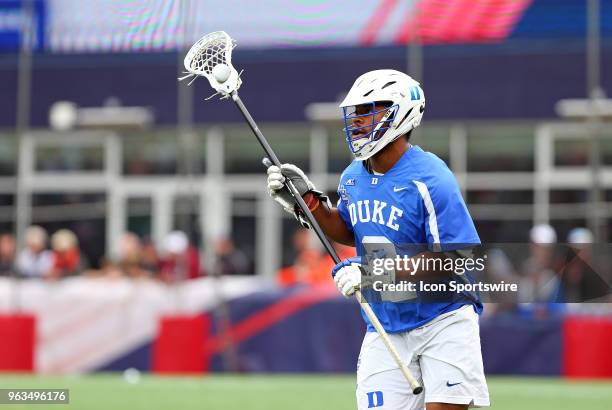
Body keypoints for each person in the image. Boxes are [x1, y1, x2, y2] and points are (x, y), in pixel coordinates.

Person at [266, 70, 489, 409]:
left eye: (369, 111)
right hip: (385, 323)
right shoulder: (353, 176)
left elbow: (455, 259)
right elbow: (349, 228)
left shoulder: (432, 178)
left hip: (443, 319)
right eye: (355, 113)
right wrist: (308, 203)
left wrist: (372, 275)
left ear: (401, 114)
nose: (357, 122)